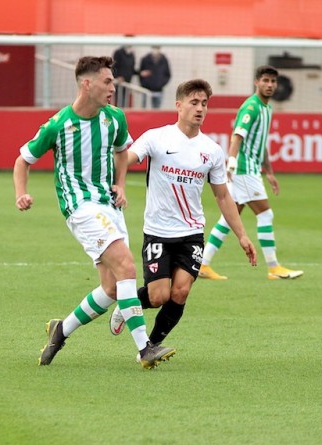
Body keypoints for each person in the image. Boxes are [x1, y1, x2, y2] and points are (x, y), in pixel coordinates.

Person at [13, 56, 175, 370]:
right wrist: (21, 193)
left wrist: (121, 185)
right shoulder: (59, 125)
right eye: (108, 81)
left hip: (109, 206)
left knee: (112, 287)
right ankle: (145, 348)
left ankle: (61, 330)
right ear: (87, 84)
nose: (114, 87)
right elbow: (23, 160)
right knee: (127, 266)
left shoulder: (114, 118)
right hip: (80, 207)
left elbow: (121, 153)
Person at [108, 79, 257, 343]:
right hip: (157, 232)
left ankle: (151, 346)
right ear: (179, 105)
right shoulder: (157, 137)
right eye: (194, 102)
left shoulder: (211, 150)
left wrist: (242, 236)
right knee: (158, 296)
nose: (200, 109)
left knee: (180, 292)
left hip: (191, 233)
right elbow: (126, 158)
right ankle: (126, 305)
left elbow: (222, 195)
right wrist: (116, 178)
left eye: (204, 104)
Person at [199, 65, 304, 281]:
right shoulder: (251, 107)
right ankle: (274, 267)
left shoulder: (267, 109)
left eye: (273, 82)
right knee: (265, 214)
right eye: (265, 80)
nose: (270, 85)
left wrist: (270, 172)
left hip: (253, 169)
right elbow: (237, 136)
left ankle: (204, 264)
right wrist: (231, 163)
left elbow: (261, 142)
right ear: (256, 82)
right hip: (244, 170)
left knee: (229, 217)